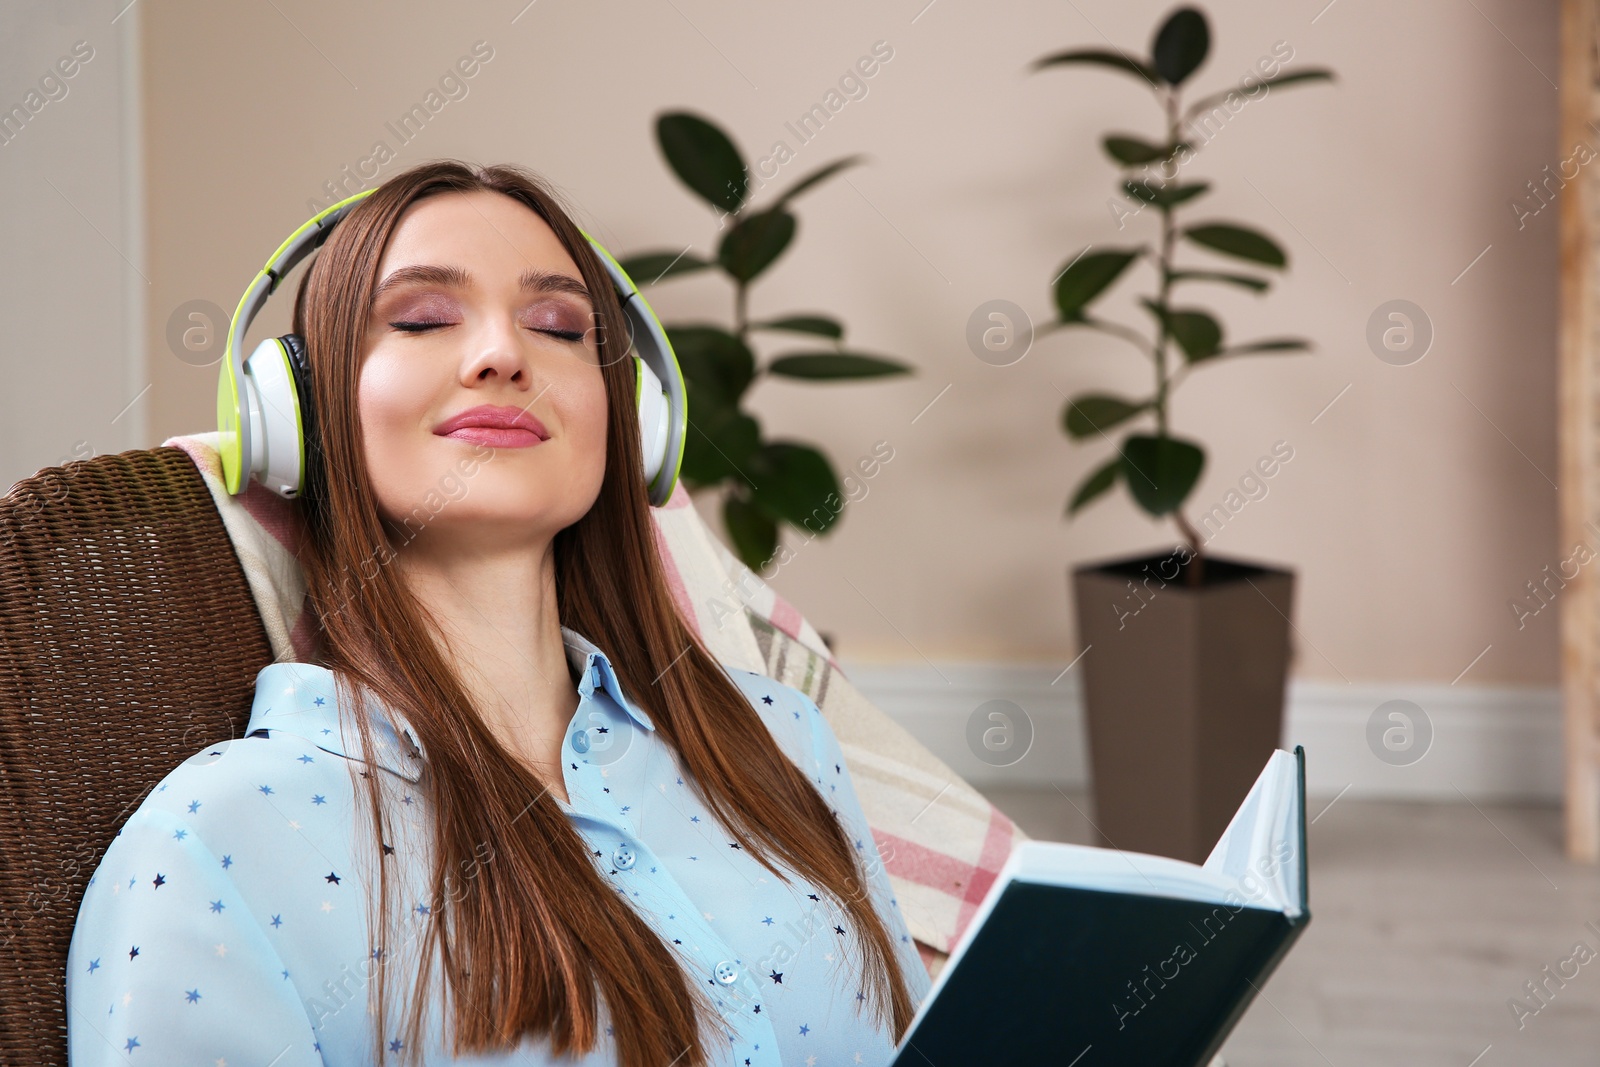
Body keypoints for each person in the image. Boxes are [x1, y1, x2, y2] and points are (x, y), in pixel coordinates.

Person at [64, 160, 930, 1067]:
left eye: (558, 327)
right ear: (298, 414)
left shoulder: (780, 738)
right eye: (424, 319)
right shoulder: (212, 842)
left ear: (633, 418)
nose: (503, 355)